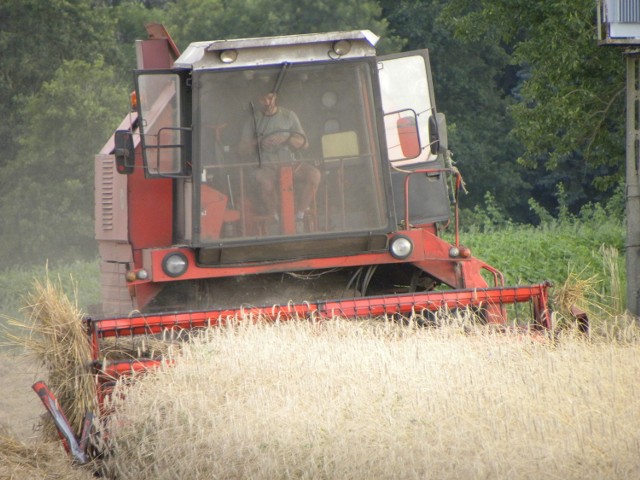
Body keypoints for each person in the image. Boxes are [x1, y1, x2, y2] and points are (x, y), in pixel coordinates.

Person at [239, 92, 321, 232]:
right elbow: (241, 149)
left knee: (314, 175)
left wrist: (286, 138)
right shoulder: (252, 120)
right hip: (265, 166)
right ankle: (276, 219)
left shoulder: (289, 116)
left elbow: (304, 143)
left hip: (291, 163)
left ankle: (299, 216)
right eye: (263, 98)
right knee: (266, 182)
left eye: (270, 98)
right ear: (258, 100)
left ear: (275, 97)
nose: (268, 102)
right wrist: (260, 141)